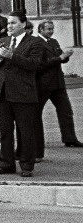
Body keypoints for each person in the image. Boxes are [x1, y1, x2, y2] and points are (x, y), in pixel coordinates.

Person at [0, 11, 45, 177]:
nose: (9, 26)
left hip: (23, 93)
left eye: (13, 23)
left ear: (23, 24)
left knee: (25, 130)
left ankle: (27, 165)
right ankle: (6, 163)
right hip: (3, 93)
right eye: (8, 24)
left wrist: (12, 56)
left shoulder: (34, 42)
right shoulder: (3, 41)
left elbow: (34, 64)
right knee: (5, 131)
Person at [34, 20, 83, 151]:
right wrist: (60, 58)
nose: (51, 31)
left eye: (52, 29)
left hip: (58, 83)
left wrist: (66, 56)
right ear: (41, 30)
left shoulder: (54, 42)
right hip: (44, 84)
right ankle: (36, 143)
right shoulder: (37, 43)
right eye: (48, 29)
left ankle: (70, 138)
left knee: (66, 111)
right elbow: (40, 64)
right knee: (36, 112)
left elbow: (60, 56)